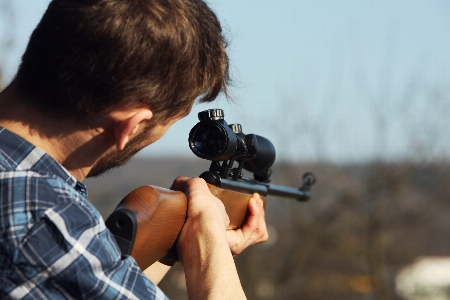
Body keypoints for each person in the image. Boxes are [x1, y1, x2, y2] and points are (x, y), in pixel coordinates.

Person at [0, 0, 269, 299]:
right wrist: (210, 245)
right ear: (132, 125)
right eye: (170, 123)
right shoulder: (43, 221)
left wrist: (178, 240)